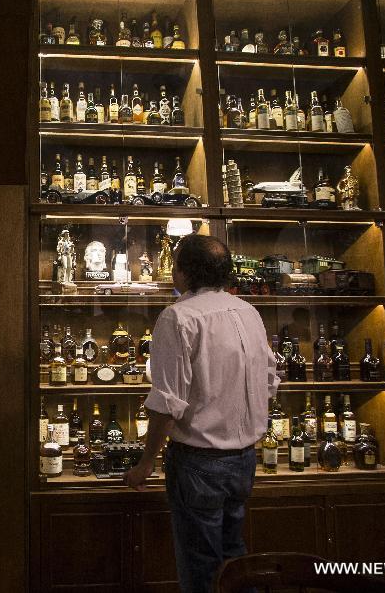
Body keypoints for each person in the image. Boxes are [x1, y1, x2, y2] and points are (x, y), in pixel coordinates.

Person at [125, 234, 279, 593]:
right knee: (234, 559)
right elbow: (270, 381)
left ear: (183, 272)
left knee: (202, 569)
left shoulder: (178, 317)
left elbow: (168, 403)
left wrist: (146, 463)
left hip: (198, 463)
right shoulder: (249, 311)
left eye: (175, 263)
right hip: (244, 460)